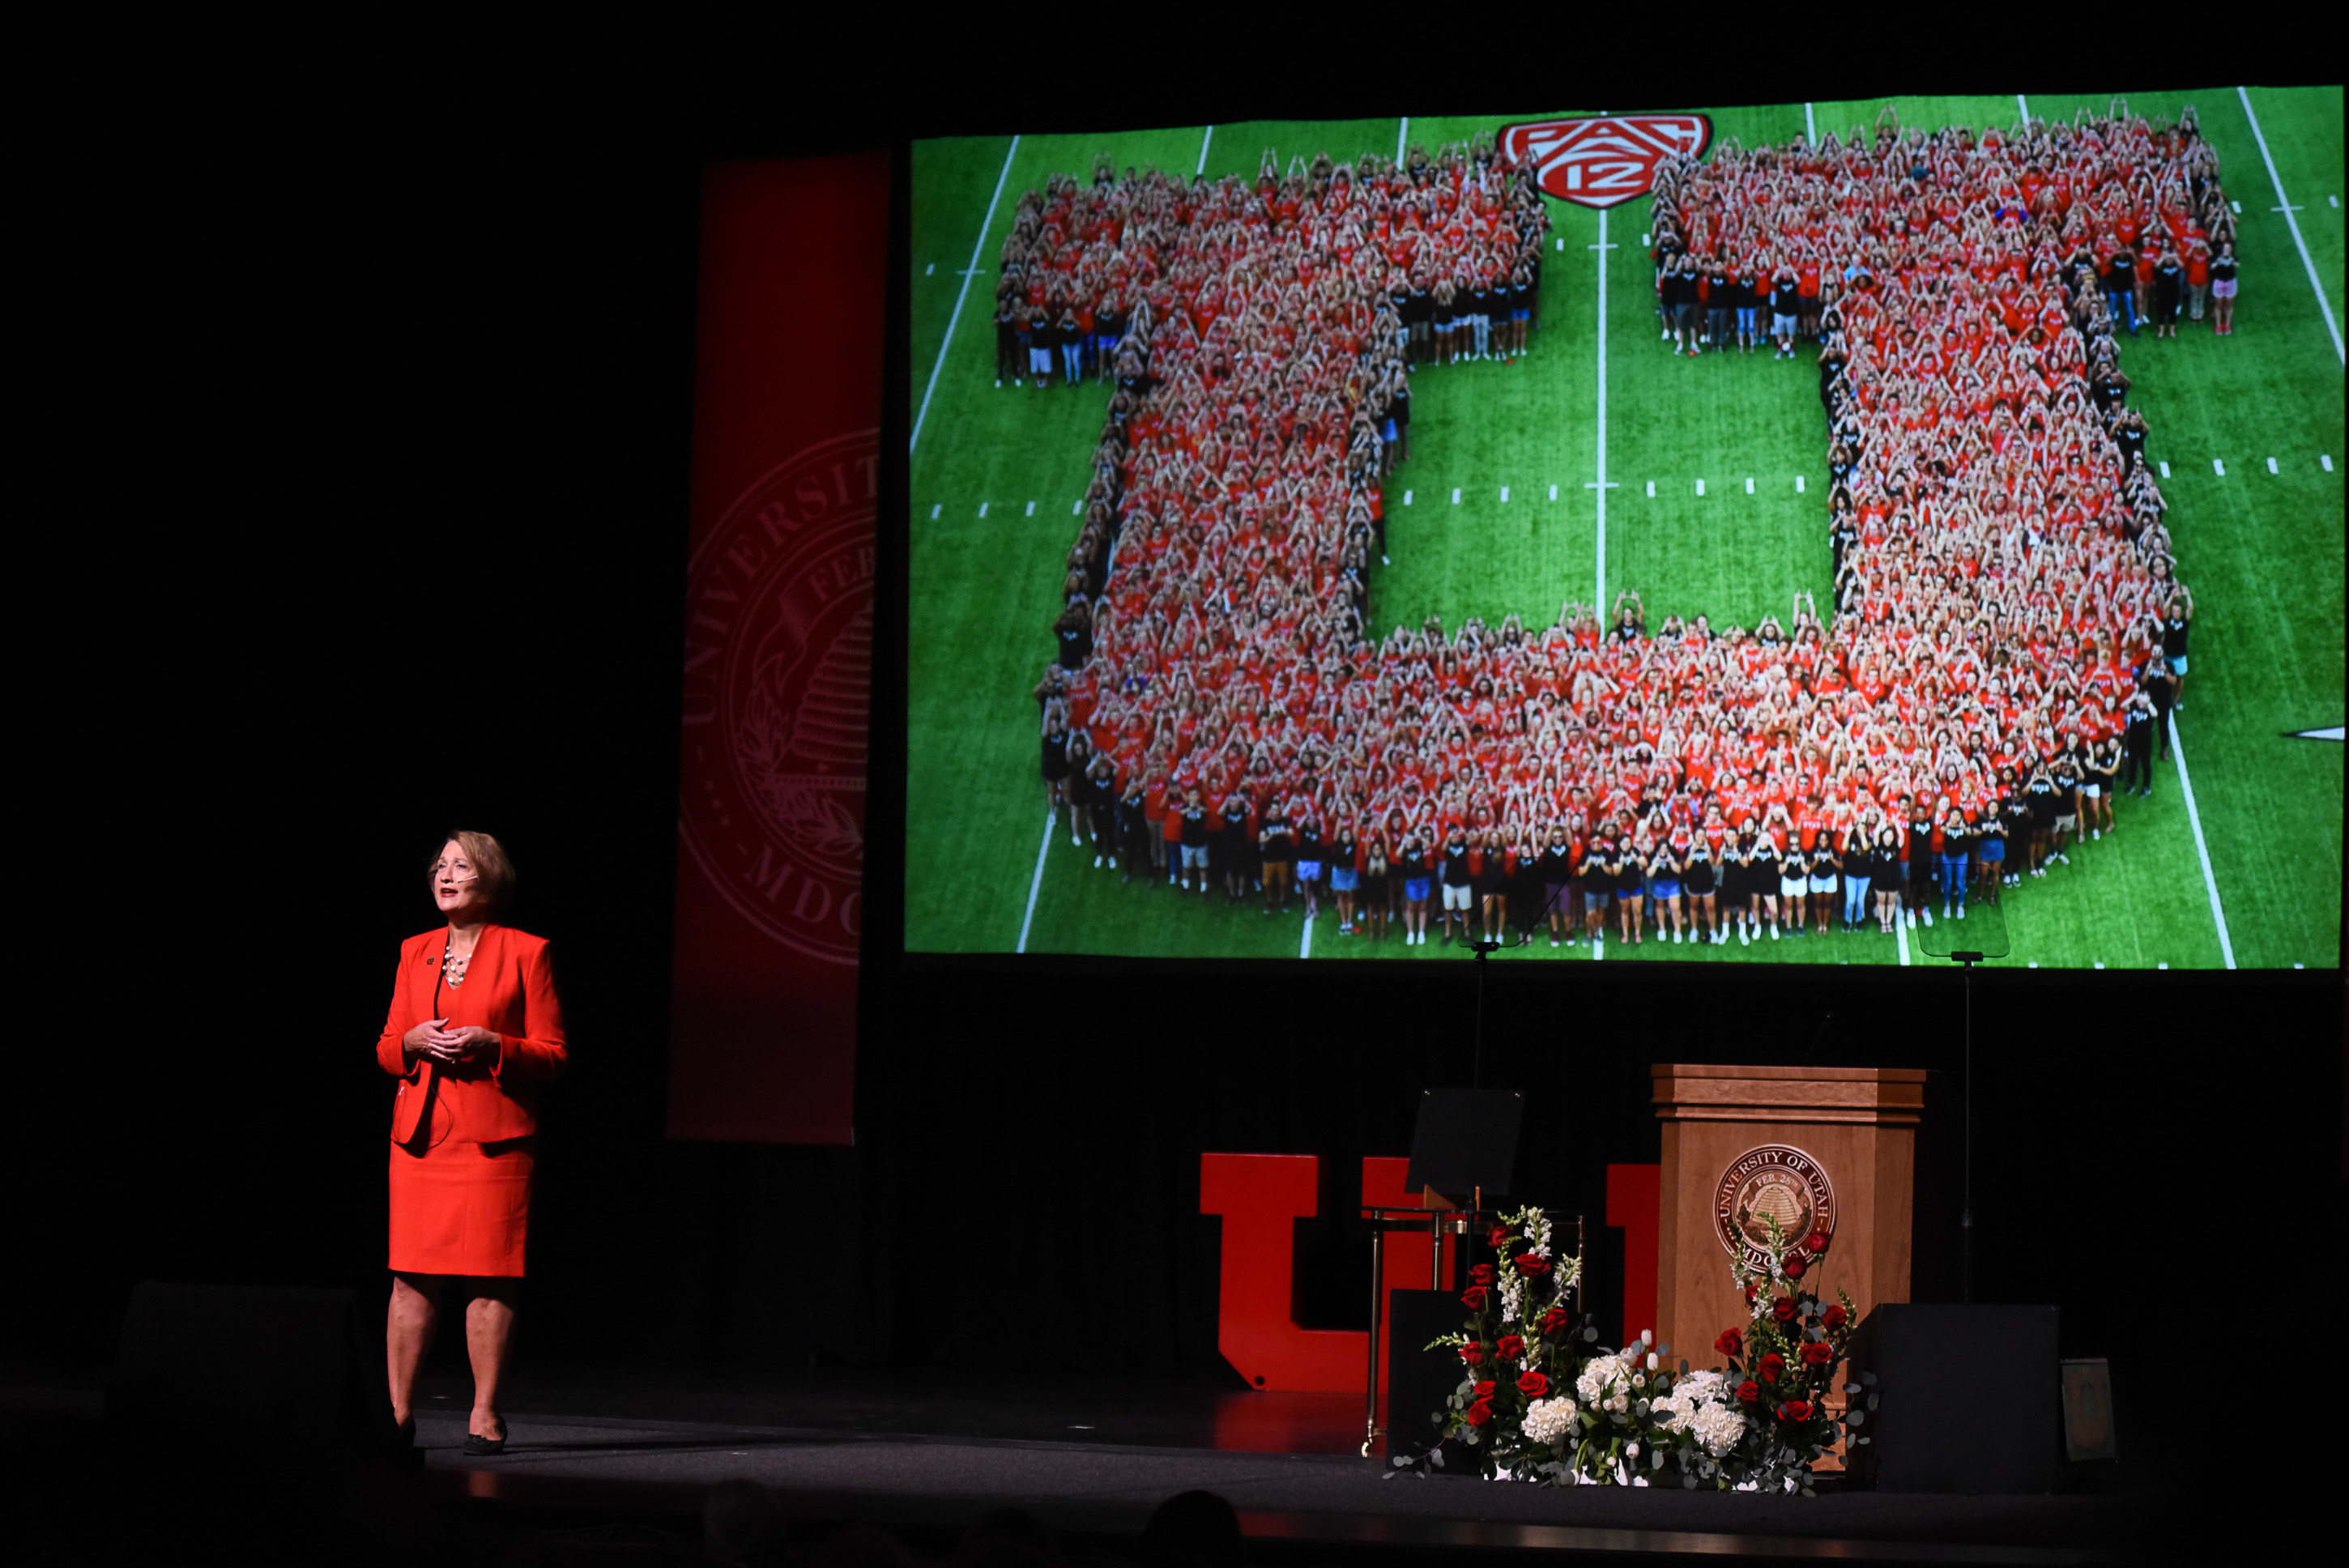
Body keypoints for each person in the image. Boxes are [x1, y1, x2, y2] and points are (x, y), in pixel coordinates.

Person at [381, 833, 567, 1456]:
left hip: (494, 1140)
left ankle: (484, 1412)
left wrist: (496, 1046)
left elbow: (554, 1054)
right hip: (421, 1139)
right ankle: (397, 1413)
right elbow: (385, 1048)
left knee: (488, 1278)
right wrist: (409, 1043)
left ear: (488, 877)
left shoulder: (527, 952)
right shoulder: (415, 950)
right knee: (411, 1279)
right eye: (439, 865)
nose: (446, 874)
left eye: (460, 865)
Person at [2208, 241, 2236, 335]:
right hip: (2219, 282)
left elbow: (2238, 265)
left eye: (2228, 249)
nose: (2226, 250)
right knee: (2218, 304)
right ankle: (2218, 325)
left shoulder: (2233, 257)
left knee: (2229, 304)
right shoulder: (2218, 257)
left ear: (2231, 250)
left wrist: (2231, 260)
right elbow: (2212, 267)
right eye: (2225, 248)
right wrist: (2218, 261)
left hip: (2230, 282)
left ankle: (2227, 324)